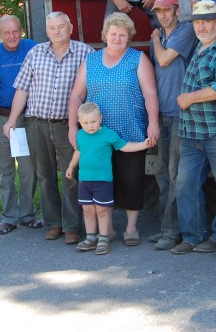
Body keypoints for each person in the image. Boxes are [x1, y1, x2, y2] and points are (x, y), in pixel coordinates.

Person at [68, 12, 160, 246]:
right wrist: (72, 126)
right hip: (96, 135)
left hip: (130, 130)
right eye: (113, 34)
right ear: (104, 35)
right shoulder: (91, 60)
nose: (118, 38)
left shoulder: (138, 59)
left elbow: (150, 93)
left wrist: (153, 122)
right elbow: (77, 94)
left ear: (128, 37)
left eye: (123, 34)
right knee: (102, 180)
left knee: (132, 179)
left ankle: (131, 227)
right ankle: (106, 230)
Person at [4, 11, 93, 244]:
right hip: (37, 123)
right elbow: (22, 89)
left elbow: (94, 90)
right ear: (47, 30)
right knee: (44, 175)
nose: (56, 31)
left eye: (61, 27)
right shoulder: (35, 53)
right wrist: (13, 119)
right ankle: (53, 223)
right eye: (52, 28)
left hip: (69, 125)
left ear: (70, 27)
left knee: (72, 175)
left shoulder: (85, 53)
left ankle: (72, 226)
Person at [171, 0, 216, 255]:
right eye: (198, 22)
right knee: (185, 184)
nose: (201, 27)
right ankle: (192, 235)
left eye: (206, 21)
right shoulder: (199, 48)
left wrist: (189, 98)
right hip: (192, 133)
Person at [66, 102, 153, 255]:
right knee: (87, 210)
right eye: (85, 123)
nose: (90, 126)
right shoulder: (80, 135)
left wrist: (143, 145)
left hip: (102, 181)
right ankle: (91, 238)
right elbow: (78, 152)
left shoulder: (108, 134)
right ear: (79, 122)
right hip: (84, 181)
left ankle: (104, 238)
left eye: (93, 121)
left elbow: (125, 147)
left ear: (101, 118)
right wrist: (71, 167)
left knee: (102, 210)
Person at [146, 0, 198, 251]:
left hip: (180, 115)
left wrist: (154, 39)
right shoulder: (161, 37)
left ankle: (172, 231)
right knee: (159, 171)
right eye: (158, 11)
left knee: (176, 173)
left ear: (177, 10)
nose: (163, 15)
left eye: (167, 10)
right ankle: (166, 227)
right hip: (160, 115)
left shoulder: (185, 30)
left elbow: (165, 59)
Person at [0, 15, 38, 235]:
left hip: (27, 118)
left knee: (28, 168)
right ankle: (9, 216)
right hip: (1, 118)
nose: (12, 36)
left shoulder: (32, 48)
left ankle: (27, 214)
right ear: (0, 34)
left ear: (21, 31)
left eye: (16, 31)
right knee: (4, 170)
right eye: (7, 33)